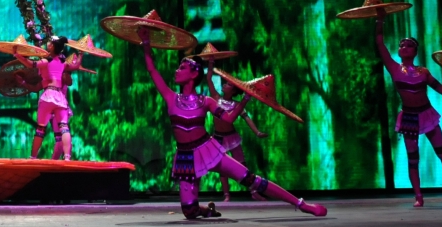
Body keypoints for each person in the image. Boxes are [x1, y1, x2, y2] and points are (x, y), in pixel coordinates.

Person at [136, 27, 326, 219]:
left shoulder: (206, 101)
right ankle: (207, 210)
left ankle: (301, 204)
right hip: (185, 156)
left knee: (251, 179)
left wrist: (244, 100)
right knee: (190, 212)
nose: (177, 71)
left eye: (182, 68)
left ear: (194, 74)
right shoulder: (171, 97)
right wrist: (146, 43)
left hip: (207, 149)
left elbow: (227, 119)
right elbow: (152, 70)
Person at [374, 12, 442, 206]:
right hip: (409, 117)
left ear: (415, 51)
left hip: (426, 114)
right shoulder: (394, 68)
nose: (404, 47)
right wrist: (380, 19)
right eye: (402, 45)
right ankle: (418, 196)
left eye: (409, 45)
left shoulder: (424, 72)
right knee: (413, 158)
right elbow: (380, 43)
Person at [204, 58, 268, 201]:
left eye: (228, 84)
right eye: (226, 83)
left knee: (242, 164)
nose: (224, 85)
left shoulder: (237, 105)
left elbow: (246, 118)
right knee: (221, 166)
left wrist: (257, 132)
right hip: (218, 138)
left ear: (233, 91)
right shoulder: (216, 98)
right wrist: (210, 65)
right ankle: (226, 194)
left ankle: (253, 191)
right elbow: (209, 79)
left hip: (232, 137)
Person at [13, 36, 81, 160]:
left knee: (40, 129)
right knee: (64, 128)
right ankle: (67, 157)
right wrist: (81, 54)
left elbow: (30, 64)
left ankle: (33, 157)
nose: (47, 44)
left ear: (52, 46)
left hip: (48, 96)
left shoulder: (46, 62)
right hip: (60, 98)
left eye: (49, 43)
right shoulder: (63, 63)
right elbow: (76, 66)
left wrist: (17, 55)